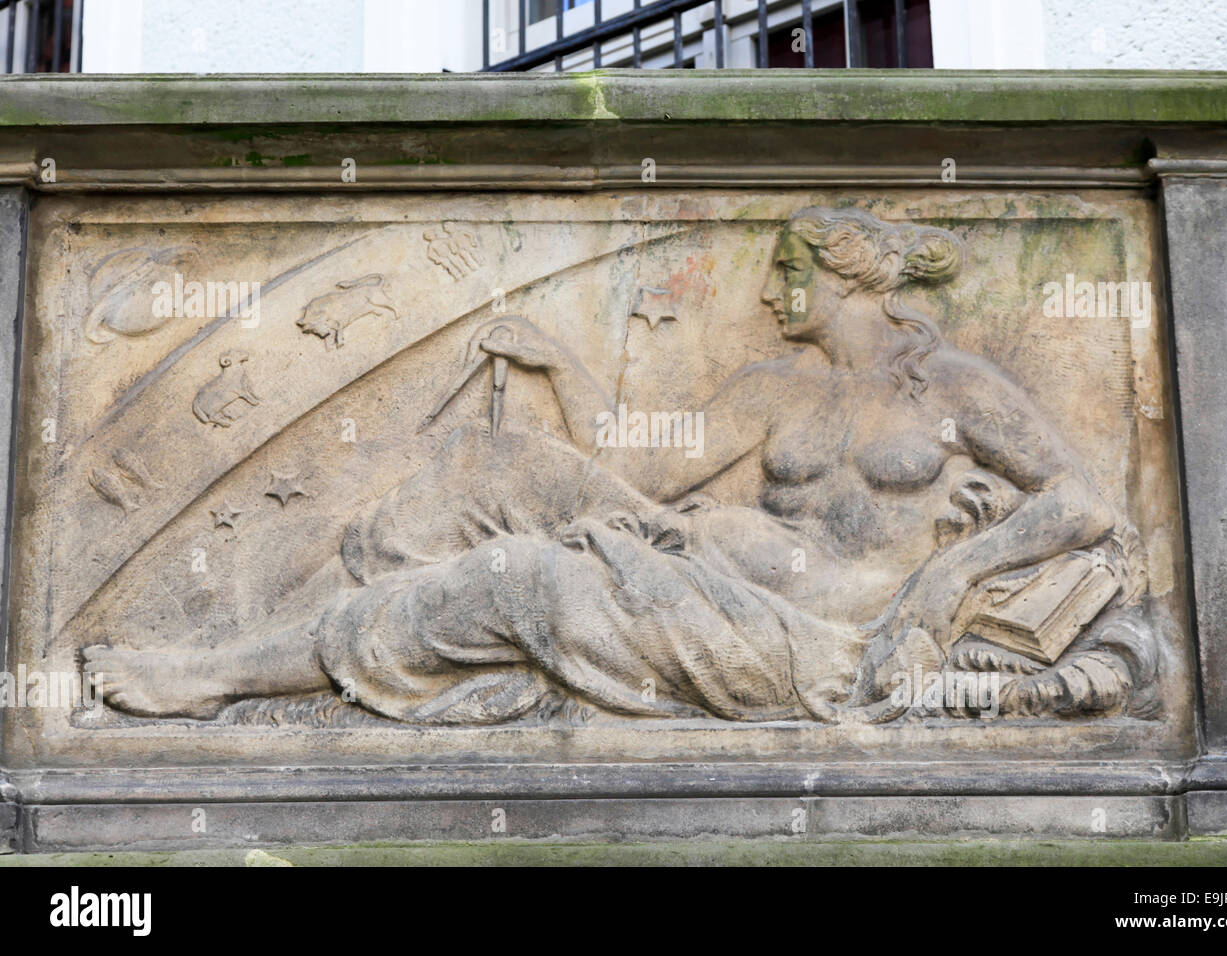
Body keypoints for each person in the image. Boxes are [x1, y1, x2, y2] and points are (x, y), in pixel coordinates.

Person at [84, 207, 1114, 724]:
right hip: (696, 560)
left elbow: (1081, 497)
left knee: (523, 574)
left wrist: (950, 573)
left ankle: (217, 676)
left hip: (815, 637)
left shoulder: (951, 385)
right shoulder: (770, 387)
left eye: (786, 272)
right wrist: (561, 364)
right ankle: (287, 625)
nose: (766, 295)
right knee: (496, 463)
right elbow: (641, 467)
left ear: (847, 276)